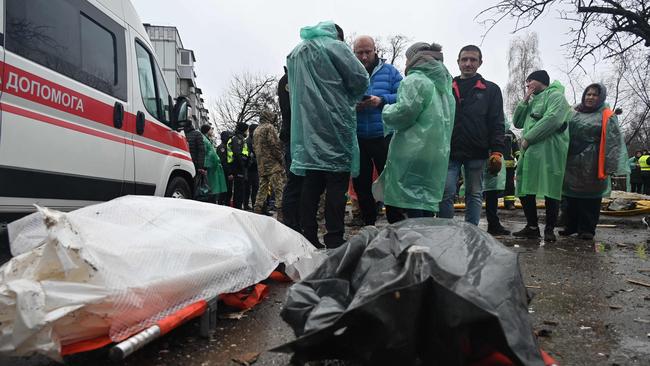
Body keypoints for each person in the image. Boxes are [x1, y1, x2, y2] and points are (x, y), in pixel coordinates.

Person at [287, 21, 369, 248]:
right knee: (336, 182)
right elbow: (360, 79)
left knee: (311, 184)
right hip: (336, 125)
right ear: (338, 36)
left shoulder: (296, 52)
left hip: (307, 129)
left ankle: (308, 235)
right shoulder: (335, 47)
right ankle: (333, 236)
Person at [377, 42, 454, 219]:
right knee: (424, 200)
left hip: (411, 150)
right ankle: (424, 242)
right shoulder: (444, 85)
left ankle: (407, 243)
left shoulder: (415, 80)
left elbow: (405, 112)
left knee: (406, 200)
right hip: (435, 152)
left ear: (413, 58)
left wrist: (386, 110)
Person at [438, 45, 505, 226]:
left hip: (477, 150)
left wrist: (497, 151)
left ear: (480, 63)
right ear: (458, 62)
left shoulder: (491, 90)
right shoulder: (446, 87)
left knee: (474, 193)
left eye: (473, 60)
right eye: (464, 59)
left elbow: (497, 122)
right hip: (450, 150)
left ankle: (471, 232)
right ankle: (445, 232)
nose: (468, 63)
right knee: (446, 192)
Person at [560, 83, 629, 240]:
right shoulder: (574, 112)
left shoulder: (606, 115)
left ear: (601, 97)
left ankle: (587, 229)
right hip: (571, 159)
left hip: (593, 160)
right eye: (588, 94)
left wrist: (610, 165)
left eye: (594, 95)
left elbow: (613, 141)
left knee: (590, 198)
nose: (590, 97)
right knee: (570, 196)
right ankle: (570, 226)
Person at [512, 70, 571, 242]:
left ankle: (550, 228)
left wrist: (528, 139)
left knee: (550, 188)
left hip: (549, 151)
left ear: (539, 81)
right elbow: (518, 122)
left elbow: (553, 119)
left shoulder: (555, 96)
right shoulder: (532, 101)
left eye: (530, 81)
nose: (527, 84)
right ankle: (532, 227)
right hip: (530, 153)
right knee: (525, 188)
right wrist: (524, 100)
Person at [352, 35, 402, 225]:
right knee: (361, 183)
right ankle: (368, 224)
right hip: (358, 138)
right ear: (354, 53)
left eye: (367, 52)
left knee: (390, 181)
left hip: (384, 135)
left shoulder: (390, 72)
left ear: (375, 51)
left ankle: (395, 223)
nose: (364, 57)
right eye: (360, 53)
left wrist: (381, 101)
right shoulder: (349, 73)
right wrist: (353, 105)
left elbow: (403, 96)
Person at [278, 67, 303, 231]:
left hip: (296, 136)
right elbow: (289, 111)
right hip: (294, 137)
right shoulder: (288, 80)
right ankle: (290, 223)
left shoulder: (293, 78)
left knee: (299, 182)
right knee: (295, 180)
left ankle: (295, 221)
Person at [252, 110, 286, 221]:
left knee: (262, 189)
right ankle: (281, 214)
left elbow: (254, 147)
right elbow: (275, 145)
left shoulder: (256, 130)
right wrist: (281, 159)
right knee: (278, 189)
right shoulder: (269, 128)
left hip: (261, 165)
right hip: (273, 164)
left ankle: (257, 211)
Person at [483, 120, 512, 235]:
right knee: (490, 192)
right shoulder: (493, 108)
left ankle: (490, 224)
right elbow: (503, 125)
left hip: (484, 151)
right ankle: (493, 224)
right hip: (490, 151)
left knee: (477, 192)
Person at [200, 124, 227, 203]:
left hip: (212, 166)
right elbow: (207, 154)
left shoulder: (208, 139)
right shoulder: (204, 140)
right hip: (209, 167)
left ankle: (212, 200)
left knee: (213, 187)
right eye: (211, 129)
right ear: (207, 130)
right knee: (210, 187)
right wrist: (206, 166)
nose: (212, 131)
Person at [227, 122, 250, 209]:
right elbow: (237, 154)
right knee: (238, 191)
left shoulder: (238, 139)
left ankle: (238, 207)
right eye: (246, 130)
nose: (247, 132)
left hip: (238, 167)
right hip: (238, 168)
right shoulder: (237, 139)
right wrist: (243, 165)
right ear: (243, 130)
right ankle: (237, 208)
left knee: (240, 190)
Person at [184, 124, 206, 194]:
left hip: (186, 161)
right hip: (194, 163)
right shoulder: (197, 134)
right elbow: (201, 150)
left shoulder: (182, 133)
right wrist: (200, 166)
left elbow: (201, 150)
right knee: (193, 185)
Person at [503, 128, 520, 209]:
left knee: (509, 184)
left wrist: (519, 158)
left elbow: (516, 148)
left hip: (508, 165)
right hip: (496, 163)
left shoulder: (510, 133)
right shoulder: (494, 131)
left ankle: (509, 203)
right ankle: (492, 203)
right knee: (495, 185)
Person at [244, 124, 259, 211]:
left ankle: (254, 205)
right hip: (250, 168)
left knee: (255, 188)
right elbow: (249, 155)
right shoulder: (248, 141)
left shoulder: (254, 140)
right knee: (248, 189)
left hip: (255, 168)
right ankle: (247, 205)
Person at [217, 131, 234, 206]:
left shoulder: (226, 147)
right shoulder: (222, 147)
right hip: (224, 173)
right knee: (225, 191)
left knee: (227, 191)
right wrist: (229, 173)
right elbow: (224, 162)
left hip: (225, 172)